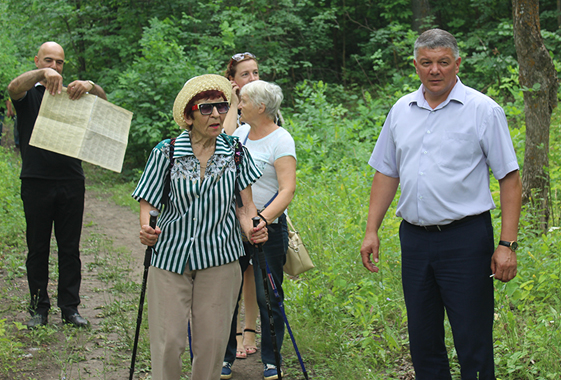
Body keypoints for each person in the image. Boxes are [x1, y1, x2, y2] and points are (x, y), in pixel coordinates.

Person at [360, 29, 522, 380]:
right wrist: (371, 229)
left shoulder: (483, 110)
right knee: (422, 337)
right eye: (427, 63)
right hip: (415, 240)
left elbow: (509, 178)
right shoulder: (401, 110)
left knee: (472, 336)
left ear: (457, 63)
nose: (435, 70)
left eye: (443, 62)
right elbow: (387, 173)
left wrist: (507, 244)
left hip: (466, 240)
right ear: (415, 65)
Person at [132, 74, 268, 380]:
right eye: (206, 108)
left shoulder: (235, 152)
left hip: (220, 258)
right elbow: (148, 203)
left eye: (221, 106)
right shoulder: (165, 152)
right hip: (169, 258)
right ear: (189, 116)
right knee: (169, 342)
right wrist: (146, 228)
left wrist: (252, 229)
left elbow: (246, 207)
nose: (217, 114)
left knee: (211, 346)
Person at [7, 41, 107, 329]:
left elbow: (103, 100)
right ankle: (39, 308)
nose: (54, 66)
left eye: (59, 62)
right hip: (36, 180)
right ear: (37, 60)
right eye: (48, 60)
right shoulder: (28, 95)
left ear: (65, 65)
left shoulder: (73, 95)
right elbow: (13, 87)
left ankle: (70, 308)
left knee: (70, 248)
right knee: (37, 248)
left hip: (71, 180)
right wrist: (40, 75)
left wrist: (89, 84)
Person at [221, 80, 296, 380]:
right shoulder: (240, 133)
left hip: (268, 230)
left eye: (245, 100)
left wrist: (261, 221)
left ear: (261, 107)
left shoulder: (281, 140)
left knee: (269, 297)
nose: (240, 105)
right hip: (233, 228)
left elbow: (287, 190)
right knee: (226, 293)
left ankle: (271, 360)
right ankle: (224, 357)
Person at [223, 51, 262, 360]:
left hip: (260, 200)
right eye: (246, 74)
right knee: (231, 269)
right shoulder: (224, 110)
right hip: (230, 204)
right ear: (232, 81)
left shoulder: (264, 107)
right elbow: (227, 141)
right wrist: (234, 103)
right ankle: (232, 331)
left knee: (251, 271)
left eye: (256, 73)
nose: (253, 79)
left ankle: (250, 329)